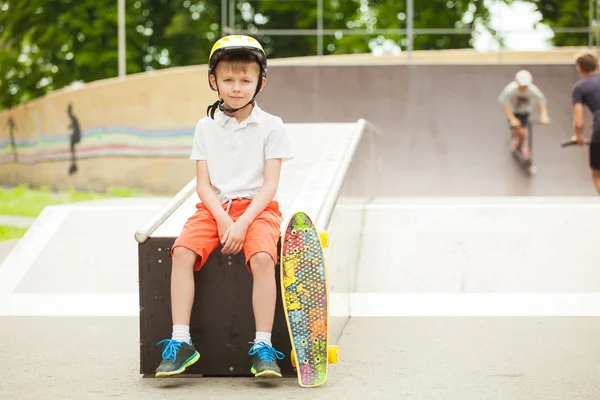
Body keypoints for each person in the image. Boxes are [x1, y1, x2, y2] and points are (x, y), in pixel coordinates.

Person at [154, 35, 294, 378]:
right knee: (183, 252)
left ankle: (262, 346)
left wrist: (242, 223)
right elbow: (202, 184)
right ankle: (181, 340)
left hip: (258, 209)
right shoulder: (205, 127)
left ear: (259, 82)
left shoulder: (272, 125)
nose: (236, 87)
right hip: (213, 207)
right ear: (213, 81)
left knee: (262, 257)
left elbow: (270, 184)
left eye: (245, 80)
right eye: (228, 80)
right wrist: (221, 219)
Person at [498, 69, 550, 158]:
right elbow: (505, 104)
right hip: (513, 112)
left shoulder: (533, 90)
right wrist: (512, 118)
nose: (524, 88)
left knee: (523, 131)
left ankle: (522, 144)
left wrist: (543, 115)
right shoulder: (510, 90)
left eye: (525, 86)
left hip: (524, 112)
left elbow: (541, 101)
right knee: (514, 128)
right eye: (522, 85)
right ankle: (515, 137)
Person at [572, 51, 600, 194]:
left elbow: (579, 123)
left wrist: (578, 136)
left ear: (579, 69)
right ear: (598, 65)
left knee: (597, 174)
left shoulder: (580, 88)